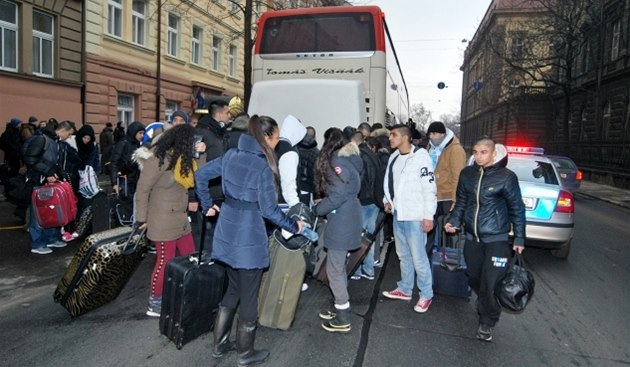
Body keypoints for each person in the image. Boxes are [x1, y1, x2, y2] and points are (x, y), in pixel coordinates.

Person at [195, 115, 307, 366]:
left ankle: (220, 344)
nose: (277, 143)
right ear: (266, 137)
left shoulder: (231, 155)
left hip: (227, 230)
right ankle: (245, 353)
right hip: (249, 236)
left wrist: (207, 205)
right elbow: (269, 210)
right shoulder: (262, 166)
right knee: (248, 296)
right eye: (277, 137)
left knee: (233, 288)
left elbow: (201, 175)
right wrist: (294, 226)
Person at [444, 138, 526, 342]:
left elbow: (517, 208)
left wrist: (520, 237)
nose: (479, 156)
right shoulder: (467, 174)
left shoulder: (507, 178)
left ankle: (487, 321)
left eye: (483, 152)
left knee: (491, 282)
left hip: (496, 239)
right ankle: (486, 300)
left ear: (493, 154)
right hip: (472, 238)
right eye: (476, 152)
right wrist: (454, 221)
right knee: (473, 276)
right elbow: (462, 202)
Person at [134, 124, 199, 317]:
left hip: (180, 217)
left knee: (190, 256)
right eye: (191, 141)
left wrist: (199, 155)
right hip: (162, 217)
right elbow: (142, 189)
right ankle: (155, 302)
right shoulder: (159, 159)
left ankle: (188, 293)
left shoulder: (183, 159)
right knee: (165, 260)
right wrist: (141, 219)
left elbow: (197, 176)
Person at [382, 124, 437, 314]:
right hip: (399, 214)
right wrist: (387, 201)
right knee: (403, 255)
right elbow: (390, 183)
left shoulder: (421, 157)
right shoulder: (394, 157)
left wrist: (428, 216)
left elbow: (429, 188)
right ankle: (405, 289)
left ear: (405, 137)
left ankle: (426, 294)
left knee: (419, 258)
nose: (390, 138)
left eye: (394, 135)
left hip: (415, 216)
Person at [315, 128, 363, 333]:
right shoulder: (350, 160)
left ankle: (343, 318)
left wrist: (319, 208)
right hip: (349, 215)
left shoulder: (337, 163)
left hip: (341, 219)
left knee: (334, 269)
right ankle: (340, 306)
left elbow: (339, 193)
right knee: (339, 266)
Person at [192, 100, 231, 253]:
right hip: (207, 193)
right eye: (227, 113)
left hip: (220, 191)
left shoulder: (220, 132)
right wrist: (192, 197)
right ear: (219, 113)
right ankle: (206, 268)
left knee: (219, 235)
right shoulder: (201, 133)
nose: (229, 116)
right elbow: (192, 166)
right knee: (207, 236)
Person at [22, 123, 66, 254]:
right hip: (38, 181)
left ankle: (49, 238)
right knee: (38, 214)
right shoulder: (43, 140)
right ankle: (37, 243)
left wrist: (54, 174)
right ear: (62, 131)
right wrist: (48, 173)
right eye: (68, 134)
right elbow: (30, 158)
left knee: (49, 211)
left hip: (44, 180)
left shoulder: (51, 141)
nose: (68, 137)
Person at [424, 121, 467, 256]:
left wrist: (455, 199)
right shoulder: (430, 147)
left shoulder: (455, 150)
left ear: (443, 134)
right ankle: (430, 259)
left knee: (446, 232)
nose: (431, 136)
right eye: (430, 133)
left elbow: (458, 176)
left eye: (434, 133)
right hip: (432, 195)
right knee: (429, 229)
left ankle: (446, 260)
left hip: (447, 197)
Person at [349, 132, 384, 281]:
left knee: (358, 236)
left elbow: (359, 181)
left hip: (362, 201)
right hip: (374, 201)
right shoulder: (373, 155)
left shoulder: (358, 157)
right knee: (369, 236)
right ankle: (369, 269)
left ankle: (356, 269)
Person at [276, 115, 307, 207]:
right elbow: (288, 184)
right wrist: (295, 205)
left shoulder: (274, 145)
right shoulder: (289, 152)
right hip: (283, 203)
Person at [109, 121, 145, 198]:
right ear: (134, 132)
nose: (142, 136)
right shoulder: (123, 143)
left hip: (134, 181)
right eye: (140, 133)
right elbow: (114, 163)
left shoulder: (137, 144)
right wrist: (115, 183)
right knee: (125, 205)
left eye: (143, 133)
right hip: (124, 181)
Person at [296, 126, 319, 205]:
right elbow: (316, 175)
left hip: (296, 188)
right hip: (309, 189)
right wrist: (317, 195)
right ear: (315, 137)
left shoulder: (295, 149)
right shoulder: (316, 152)